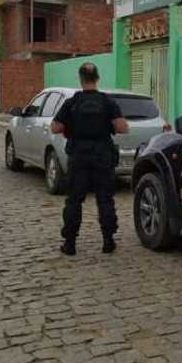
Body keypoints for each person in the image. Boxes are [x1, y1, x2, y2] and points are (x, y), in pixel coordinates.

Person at [51, 63, 129, 256]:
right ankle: (108, 241)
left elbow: (55, 127)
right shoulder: (108, 102)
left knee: (74, 200)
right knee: (105, 199)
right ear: (97, 78)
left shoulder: (72, 102)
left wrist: (72, 125)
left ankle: (70, 244)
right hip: (102, 154)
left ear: (80, 79)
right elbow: (122, 128)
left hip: (78, 155)